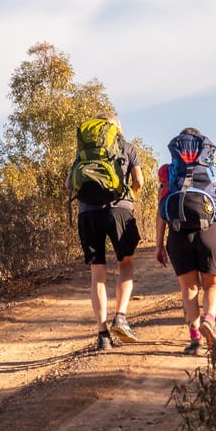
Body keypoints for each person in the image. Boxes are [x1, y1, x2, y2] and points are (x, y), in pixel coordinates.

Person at [155, 127, 216, 356]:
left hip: (178, 232)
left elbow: (160, 211)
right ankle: (209, 319)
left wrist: (158, 244)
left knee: (189, 287)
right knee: (213, 284)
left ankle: (195, 339)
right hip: (210, 231)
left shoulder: (168, 172)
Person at [66, 115, 144, 351]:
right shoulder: (128, 148)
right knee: (126, 264)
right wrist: (129, 198)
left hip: (87, 213)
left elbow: (70, 184)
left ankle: (103, 335)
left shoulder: (84, 151)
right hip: (119, 209)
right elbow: (139, 180)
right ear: (117, 128)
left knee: (97, 272)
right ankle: (120, 316)